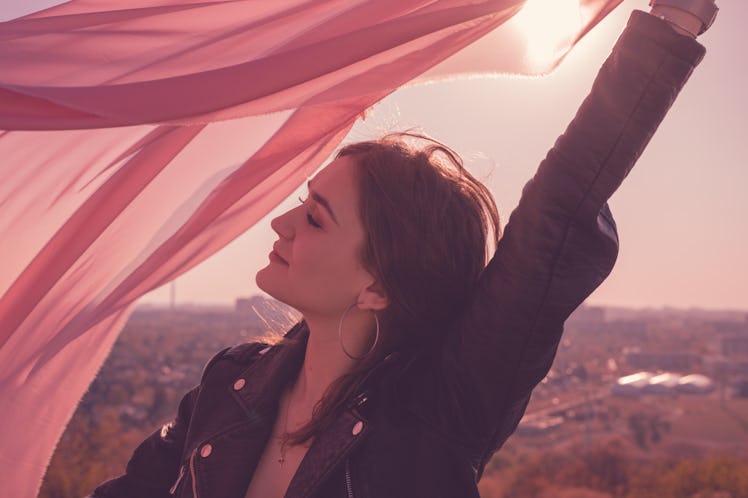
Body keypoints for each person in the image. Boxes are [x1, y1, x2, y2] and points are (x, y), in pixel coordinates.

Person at [90, 2, 718, 497]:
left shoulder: (434, 419)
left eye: (314, 217)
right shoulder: (229, 384)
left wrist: (672, 22)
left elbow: (553, 218)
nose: (279, 222)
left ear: (378, 286)